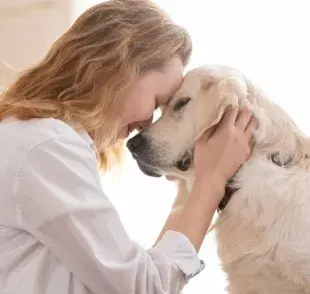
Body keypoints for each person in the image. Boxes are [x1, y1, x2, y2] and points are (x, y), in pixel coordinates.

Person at [0, 1, 256, 293]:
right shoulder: (47, 148)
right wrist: (212, 181)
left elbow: (143, 273)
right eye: (158, 102)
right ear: (119, 68)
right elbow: (142, 287)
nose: (148, 123)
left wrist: (196, 180)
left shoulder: (30, 138)